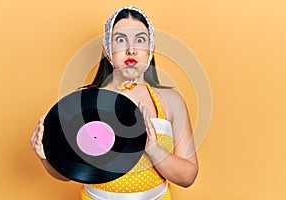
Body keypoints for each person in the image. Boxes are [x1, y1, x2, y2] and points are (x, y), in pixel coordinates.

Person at [31, 6, 198, 200]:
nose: (131, 50)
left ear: (150, 50)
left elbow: (188, 176)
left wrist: (154, 151)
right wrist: (45, 157)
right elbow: (70, 171)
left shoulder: (171, 101)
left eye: (140, 40)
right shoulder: (86, 101)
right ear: (107, 50)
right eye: (120, 40)